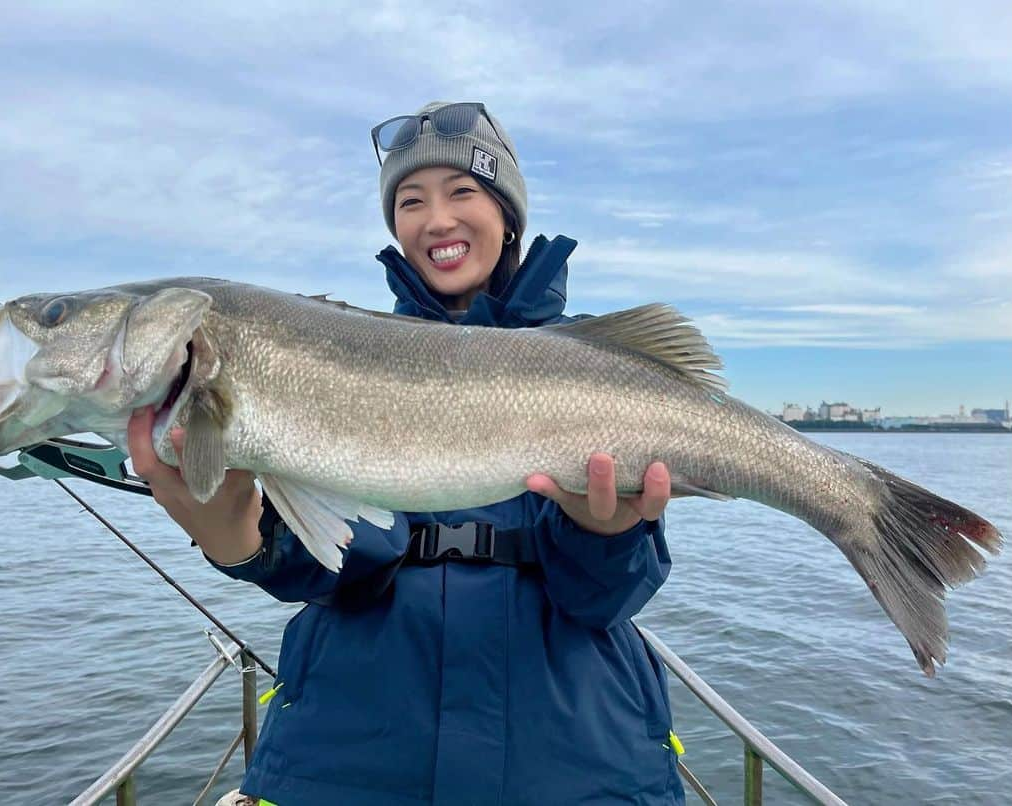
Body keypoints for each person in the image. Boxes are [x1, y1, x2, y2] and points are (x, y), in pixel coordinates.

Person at [128, 101, 687, 806]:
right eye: (411, 201)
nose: (436, 220)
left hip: (576, 765)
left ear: (508, 213)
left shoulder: (591, 365)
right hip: (348, 764)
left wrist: (609, 533)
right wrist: (242, 540)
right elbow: (337, 570)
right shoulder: (319, 360)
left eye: (462, 192)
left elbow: (606, 597)